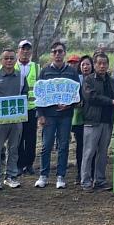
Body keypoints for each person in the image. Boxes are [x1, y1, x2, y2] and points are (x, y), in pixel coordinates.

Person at [34, 41, 80, 189]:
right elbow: (39, 94)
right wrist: (40, 114)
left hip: (66, 116)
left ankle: (61, 176)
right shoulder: (45, 71)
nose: (57, 54)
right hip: (48, 115)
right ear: (51, 54)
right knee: (46, 146)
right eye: (54, 52)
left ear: (64, 53)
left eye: (60, 51)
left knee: (64, 145)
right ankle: (44, 175)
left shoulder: (72, 72)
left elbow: (77, 94)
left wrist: (70, 104)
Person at [0, 48, 28, 190]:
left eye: (11, 58)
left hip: (16, 119)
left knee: (14, 148)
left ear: (15, 60)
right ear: (1, 61)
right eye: (6, 58)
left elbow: (25, 93)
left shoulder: (21, 76)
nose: (9, 61)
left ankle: (11, 176)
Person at [80, 52, 114, 191]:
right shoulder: (88, 80)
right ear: (94, 65)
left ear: (108, 65)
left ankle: (100, 180)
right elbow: (92, 97)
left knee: (103, 152)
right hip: (92, 121)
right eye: (99, 63)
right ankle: (86, 181)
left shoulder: (111, 80)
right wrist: (111, 101)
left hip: (107, 122)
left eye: (104, 63)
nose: (102, 66)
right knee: (89, 152)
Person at [15, 40, 40, 176]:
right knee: (18, 138)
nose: (25, 52)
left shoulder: (36, 67)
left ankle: (29, 164)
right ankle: (19, 164)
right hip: (17, 108)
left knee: (31, 138)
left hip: (32, 108)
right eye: (23, 49)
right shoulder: (11, 65)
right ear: (18, 50)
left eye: (28, 49)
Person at [70, 55, 93, 185]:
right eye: (83, 64)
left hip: (93, 118)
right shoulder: (76, 80)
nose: (85, 67)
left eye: (88, 64)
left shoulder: (96, 79)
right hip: (79, 118)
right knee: (80, 147)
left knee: (92, 148)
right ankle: (80, 173)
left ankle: (91, 172)